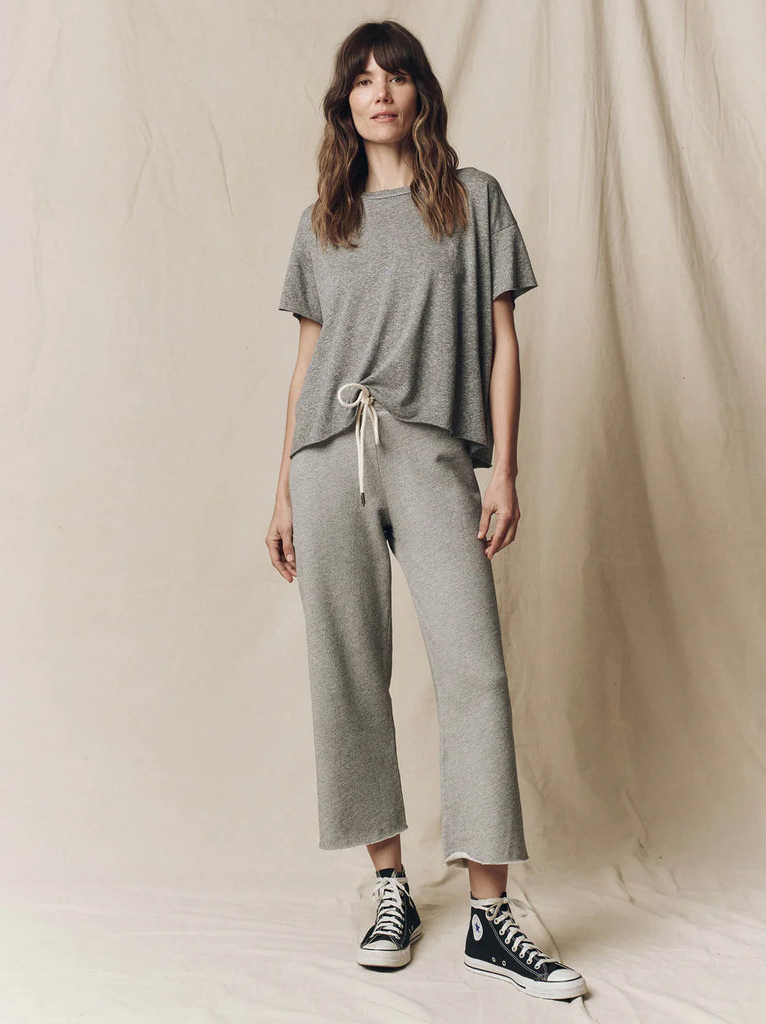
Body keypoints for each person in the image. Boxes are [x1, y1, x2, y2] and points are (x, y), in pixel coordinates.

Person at [267, 19, 587, 1002]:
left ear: (419, 95)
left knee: (474, 670)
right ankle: (390, 888)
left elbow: (503, 341)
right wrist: (281, 485)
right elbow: (309, 360)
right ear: (344, 102)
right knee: (349, 670)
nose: (379, 92)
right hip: (330, 456)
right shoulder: (324, 218)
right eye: (362, 79)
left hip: (432, 452)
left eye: (395, 76)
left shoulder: (472, 199)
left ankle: (490, 913)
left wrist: (504, 470)